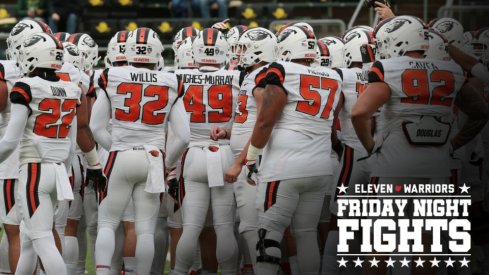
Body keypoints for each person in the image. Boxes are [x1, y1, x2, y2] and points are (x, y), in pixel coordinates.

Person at [351, 15, 489, 274]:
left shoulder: (388, 67)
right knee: (426, 242)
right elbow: (480, 112)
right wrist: (455, 143)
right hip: (437, 170)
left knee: (380, 243)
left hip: (394, 168)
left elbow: (359, 113)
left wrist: (371, 146)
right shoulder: (452, 70)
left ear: (397, 40)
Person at [90, 27, 190, 275]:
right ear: (157, 52)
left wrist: (114, 147)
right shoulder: (170, 80)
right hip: (153, 157)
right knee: (145, 227)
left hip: (120, 155)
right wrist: (166, 163)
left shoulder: (111, 75)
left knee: (107, 222)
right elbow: (184, 136)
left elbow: (95, 126)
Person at [245, 25, 342, 275]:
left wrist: (251, 157)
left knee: (269, 233)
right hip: (320, 165)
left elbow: (266, 120)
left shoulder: (281, 70)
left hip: (285, 166)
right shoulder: (333, 75)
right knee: (306, 233)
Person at [0, 32, 80, 275]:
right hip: (58, 171)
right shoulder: (71, 88)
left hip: (34, 171)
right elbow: (71, 140)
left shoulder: (27, 86)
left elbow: (11, 140)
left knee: (42, 239)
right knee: (27, 241)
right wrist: (64, 171)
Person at [173, 28, 241, 275]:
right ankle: (230, 272)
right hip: (224, 153)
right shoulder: (238, 78)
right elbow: (244, 120)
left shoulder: (177, 76)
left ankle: (179, 271)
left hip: (192, 154)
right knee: (224, 226)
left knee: (191, 226)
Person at [223, 27, 277, 274]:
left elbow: (263, 121)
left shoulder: (262, 77)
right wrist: (228, 132)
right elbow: (249, 118)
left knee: (251, 224)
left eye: (243, 48)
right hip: (248, 156)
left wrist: (242, 160)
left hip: (253, 160)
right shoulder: (252, 75)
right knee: (249, 224)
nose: (239, 53)